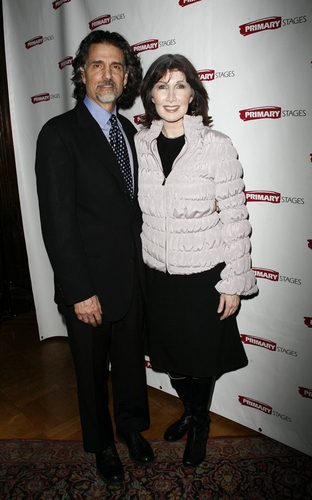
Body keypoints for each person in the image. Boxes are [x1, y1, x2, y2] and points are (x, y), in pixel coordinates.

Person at [35, 30, 154, 486]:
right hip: (87, 285)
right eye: (98, 65)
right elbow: (57, 223)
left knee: (128, 365)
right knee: (89, 374)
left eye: (117, 66)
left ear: (126, 77)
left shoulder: (129, 131)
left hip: (129, 278)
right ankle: (102, 444)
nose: (108, 75)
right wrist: (79, 291)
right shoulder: (58, 134)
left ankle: (130, 429)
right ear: (81, 73)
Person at [134, 54, 258, 467]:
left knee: (201, 359)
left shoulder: (215, 145)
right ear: (150, 94)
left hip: (204, 276)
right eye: (162, 86)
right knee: (170, 357)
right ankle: (189, 410)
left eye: (180, 85)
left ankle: (200, 421)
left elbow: (236, 218)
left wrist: (234, 281)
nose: (171, 95)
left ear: (193, 94)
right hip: (157, 275)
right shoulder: (140, 145)